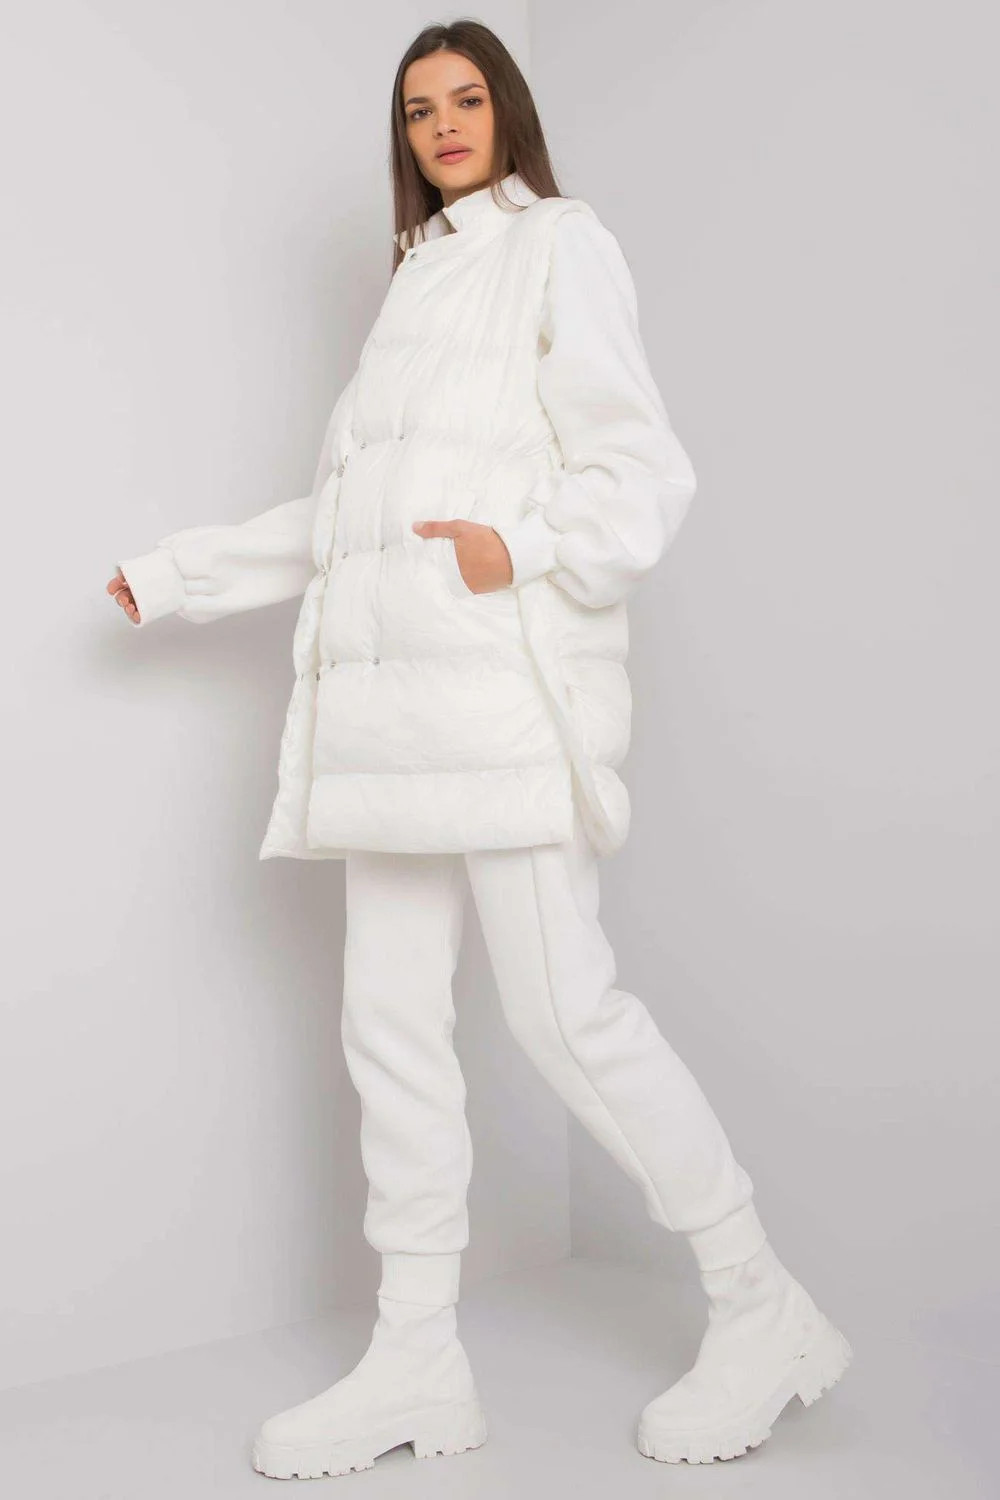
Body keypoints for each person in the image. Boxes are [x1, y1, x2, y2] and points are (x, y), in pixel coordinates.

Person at [107, 18, 851, 1479]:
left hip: (496, 701)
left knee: (568, 1016)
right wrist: (181, 574)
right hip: (384, 726)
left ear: (508, 110)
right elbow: (351, 524)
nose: (443, 124)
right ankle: (417, 1361)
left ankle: (762, 1306)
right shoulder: (410, 286)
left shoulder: (559, 245)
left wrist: (522, 548)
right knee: (387, 1030)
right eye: (417, 108)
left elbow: (637, 469)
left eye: (465, 98)